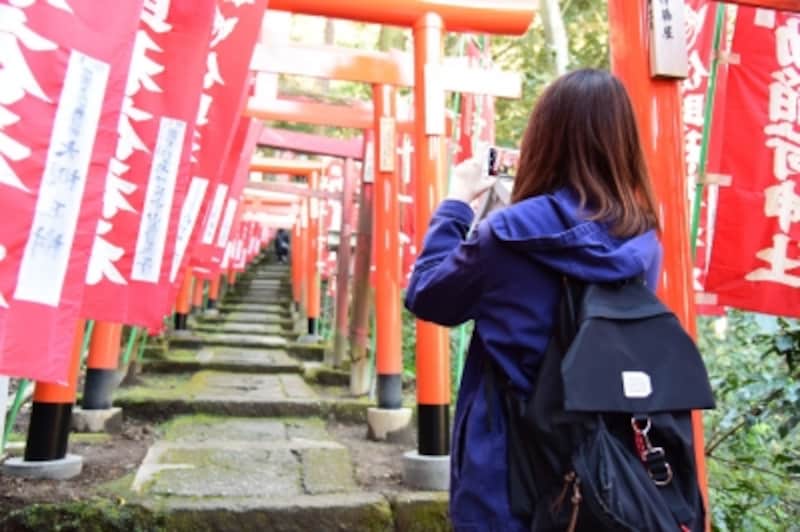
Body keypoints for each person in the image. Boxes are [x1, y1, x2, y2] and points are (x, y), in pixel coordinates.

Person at [404, 68, 663, 532]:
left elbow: (428, 296)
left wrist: (457, 203)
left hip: (503, 468)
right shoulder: (643, 242)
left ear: (543, 139)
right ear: (624, 142)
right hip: (602, 469)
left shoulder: (507, 234)